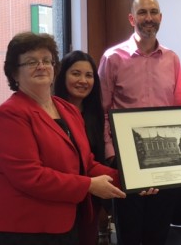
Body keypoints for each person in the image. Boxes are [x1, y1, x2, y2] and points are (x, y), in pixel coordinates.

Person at [0, 32, 156, 245]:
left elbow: (87, 163)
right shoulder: (9, 114)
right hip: (19, 228)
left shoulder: (67, 110)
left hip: (65, 223)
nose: (41, 66)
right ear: (14, 73)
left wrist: (132, 180)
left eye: (47, 60)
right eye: (31, 61)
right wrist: (88, 185)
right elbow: (30, 177)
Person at [98, 0, 181, 244]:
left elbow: (179, 110)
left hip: (165, 160)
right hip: (127, 159)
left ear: (160, 17)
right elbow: (102, 110)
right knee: (129, 232)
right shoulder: (112, 58)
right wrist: (111, 154)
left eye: (154, 12)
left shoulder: (172, 59)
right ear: (131, 18)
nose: (149, 18)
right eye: (142, 12)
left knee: (159, 232)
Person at [54, 50, 112, 245]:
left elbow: (95, 159)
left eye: (89, 75)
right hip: (61, 196)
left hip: (92, 197)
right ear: (62, 76)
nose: (83, 80)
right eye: (76, 73)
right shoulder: (50, 111)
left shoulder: (95, 114)